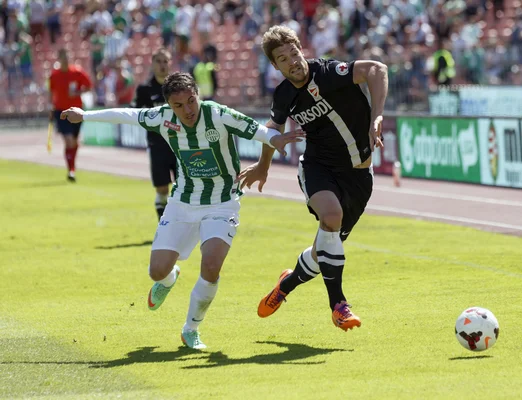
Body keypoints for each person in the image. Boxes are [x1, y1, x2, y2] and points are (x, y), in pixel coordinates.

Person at [61, 72, 304, 349]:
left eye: (191, 101)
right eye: (179, 105)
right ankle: (169, 278)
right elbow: (127, 114)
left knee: (211, 266)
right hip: (182, 202)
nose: (188, 110)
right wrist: (86, 116)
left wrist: (275, 140)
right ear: (169, 106)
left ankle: (191, 329)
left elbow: (257, 129)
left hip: (222, 202)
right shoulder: (161, 118)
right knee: (157, 271)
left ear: (197, 95)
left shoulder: (218, 114)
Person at [236, 25, 388, 331]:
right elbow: (273, 129)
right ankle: (339, 306)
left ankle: (285, 285)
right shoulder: (284, 95)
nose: (292, 60)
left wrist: (377, 116)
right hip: (318, 167)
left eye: (293, 52)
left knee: (324, 252)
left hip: (359, 176)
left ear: (301, 49)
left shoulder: (329, 72)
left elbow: (376, 69)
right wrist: (263, 165)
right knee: (331, 216)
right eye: (282, 58)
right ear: (275, 66)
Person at [134, 48, 177, 219]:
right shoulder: (144, 89)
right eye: (158, 61)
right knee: (162, 188)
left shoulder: (177, 87)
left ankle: (180, 223)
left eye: (165, 61)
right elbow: (136, 113)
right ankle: (163, 222)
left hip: (179, 144)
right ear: (152, 64)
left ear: (170, 63)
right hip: (157, 144)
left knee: (183, 186)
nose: (162, 65)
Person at [48, 49, 93, 182]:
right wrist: (50, 108)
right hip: (61, 111)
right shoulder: (54, 75)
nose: (65, 61)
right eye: (63, 59)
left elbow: (89, 86)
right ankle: (71, 170)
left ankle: (72, 164)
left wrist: (78, 92)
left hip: (76, 111)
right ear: (59, 60)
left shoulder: (77, 72)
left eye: (67, 58)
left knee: (74, 141)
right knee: (68, 140)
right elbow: (51, 93)